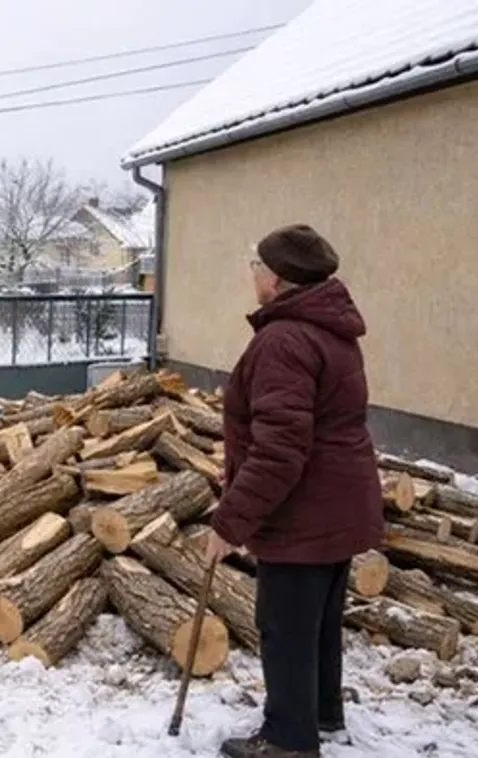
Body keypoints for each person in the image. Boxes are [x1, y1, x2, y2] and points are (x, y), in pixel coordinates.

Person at [203, 224, 384, 758]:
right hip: (338, 501)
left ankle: (287, 739)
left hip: (304, 510)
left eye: (256, 265)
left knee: (283, 625)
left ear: (277, 279)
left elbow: (282, 450)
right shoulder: (329, 329)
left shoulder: (285, 339)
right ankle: (323, 713)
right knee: (319, 622)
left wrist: (229, 522)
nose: (251, 273)